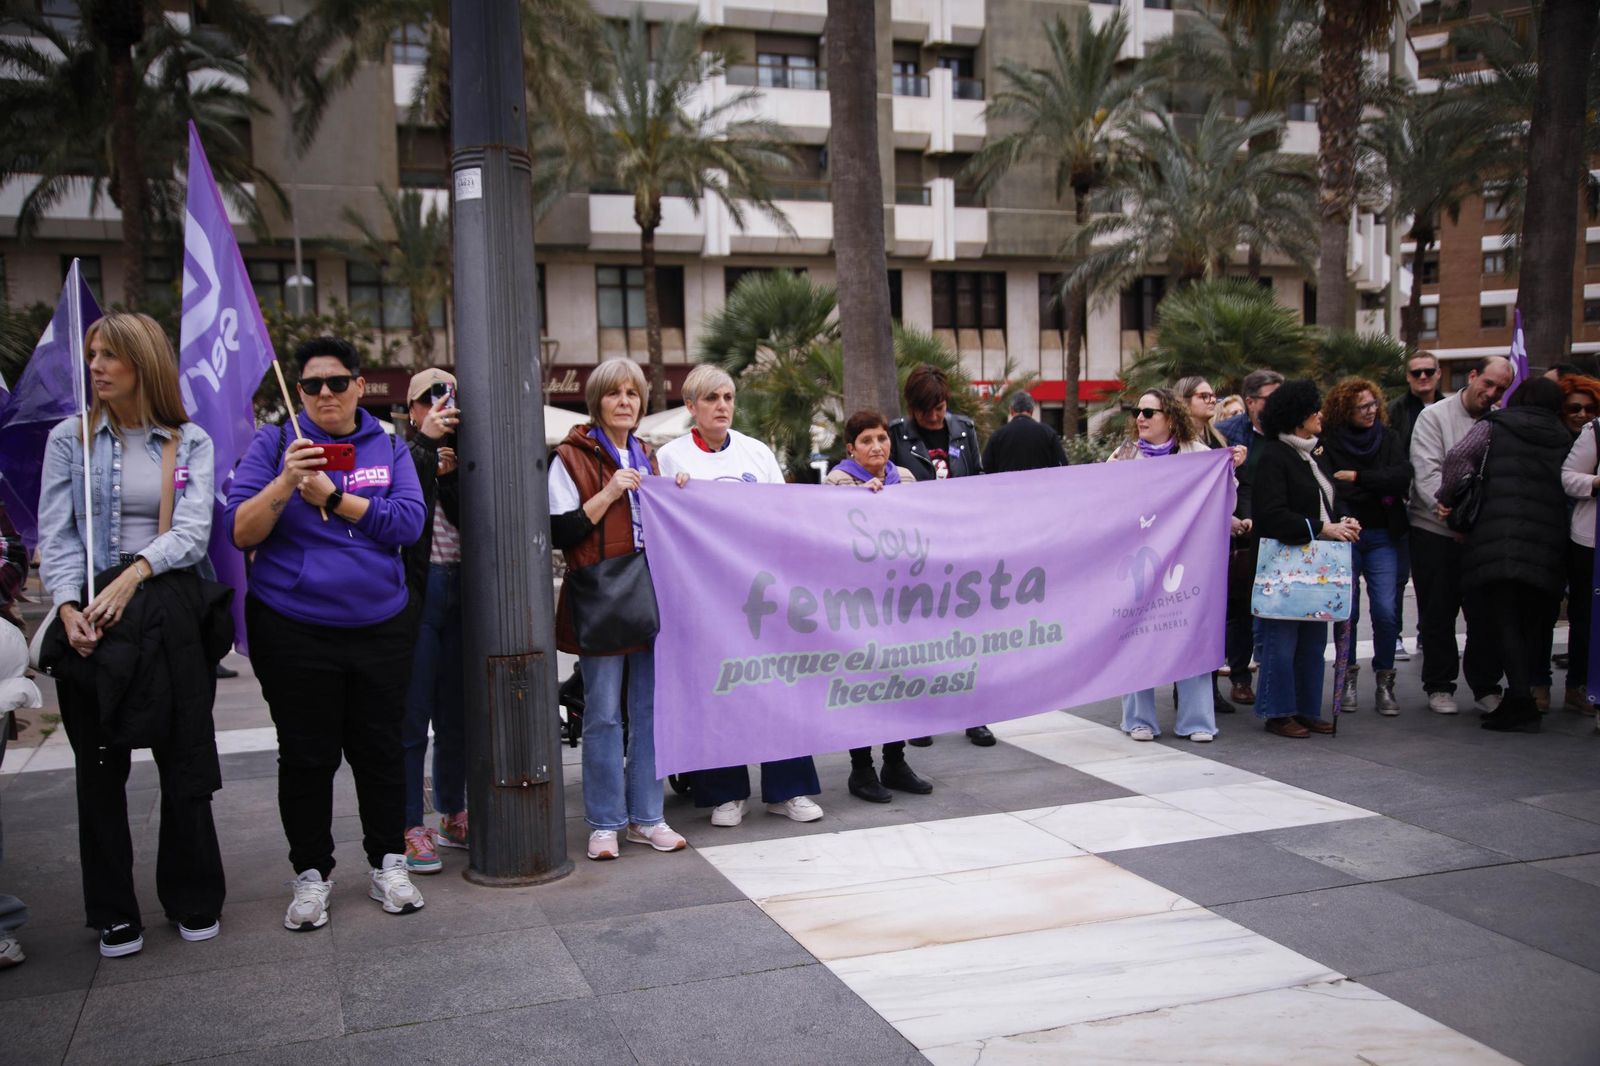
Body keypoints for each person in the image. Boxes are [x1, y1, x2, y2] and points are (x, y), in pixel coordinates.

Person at [36, 312, 226, 958]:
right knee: (97, 770)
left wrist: (137, 572)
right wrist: (67, 608)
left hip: (166, 610)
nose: (96, 366)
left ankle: (193, 894)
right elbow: (56, 533)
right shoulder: (70, 439)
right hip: (90, 614)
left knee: (184, 760)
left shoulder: (187, 441)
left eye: (110, 355)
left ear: (142, 364)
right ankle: (114, 911)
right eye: (91, 354)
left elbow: (194, 531)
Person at [227, 337, 427, 930]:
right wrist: (288, 481)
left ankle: (389, 863)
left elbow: (410, 524)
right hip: (294, 628)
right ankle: (311, 876)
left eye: (337, 382)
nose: (323, 394)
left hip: (380, 625)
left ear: (360, 386)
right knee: (307, 757)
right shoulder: (273, 444)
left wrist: (337, 499)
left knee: (381, 751)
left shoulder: (389, 446)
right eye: (312, 384)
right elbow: (241, 532)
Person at [657, 365, 824, 828]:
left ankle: (787, 790)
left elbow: (782, 516)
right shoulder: (669, 458)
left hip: (760, 592)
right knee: (719, 690)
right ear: (691, 407)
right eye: (711, 398)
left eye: (728, 397)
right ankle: (725, 794)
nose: (723, 406)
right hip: (705, 597)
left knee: (777, 684)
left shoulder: (756, 452)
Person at [549, 358, 690, 861]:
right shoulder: (570, 456)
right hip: (602, 592)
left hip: (650, 591)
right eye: (615, 394)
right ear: (597, 402)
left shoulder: (649, 455)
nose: (625, 402)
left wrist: (677, 494)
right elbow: (559, 530)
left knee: (649, 711)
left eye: (633, 394)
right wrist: (610, 492)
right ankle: (606, 822)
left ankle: (647, 817)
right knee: (603, 714)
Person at [1439, 378, 1571, 733]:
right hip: (1547, 539)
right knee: (1531, 622)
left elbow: (1457, 457)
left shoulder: (1495, 426)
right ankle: (1522, 696)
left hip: (1498, 537)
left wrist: (1448, 497)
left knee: (1505, 620)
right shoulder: (1562, 435)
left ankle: (1520, 702)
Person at [826, 410, 933, 802]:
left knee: (897, 679)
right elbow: (834, 535)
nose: (877, 447)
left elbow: (920, 527)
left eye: (883, 438)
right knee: (864, 682)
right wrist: (863, 502)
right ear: (851, 448)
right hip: (859, 601)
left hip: (900, 597)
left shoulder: (904, 478)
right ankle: (861, 768)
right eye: (867, 440)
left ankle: (895, 759)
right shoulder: (838, 481)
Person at [888, 365, 994, 747]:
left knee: (970, 633)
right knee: (922, 635)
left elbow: (979, 478)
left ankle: (975, 715)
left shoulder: (964, 429)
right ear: (912, 407)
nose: (934, 416)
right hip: (917, 553)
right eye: (926, 410)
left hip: (963, 548)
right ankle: (922, 716)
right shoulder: (896, 433)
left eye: (940, 407)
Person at [1107, 389, 1221, 743]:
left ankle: (1198, 720)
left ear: (1170, 417)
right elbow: (1103, 500)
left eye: (1148, 412)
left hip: (1188, 560)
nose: (1140, 418)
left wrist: (1231, 465)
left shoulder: (1200, 456)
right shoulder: (1124, 456)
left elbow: (1222, 492)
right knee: (1137, 635)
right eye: (1137, 412)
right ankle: (1138, 719)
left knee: (1190, 632)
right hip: (1139, 560)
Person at [1250, 380, 1361, 738]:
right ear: (1297, 416)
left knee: (1313, 642)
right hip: (1286, 566)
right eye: (1315, 409)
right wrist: (1322, 528)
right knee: (1281, 643)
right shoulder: (1272, 456)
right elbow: (1270, 515)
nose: (1321, 415)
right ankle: (1278, 711)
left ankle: (1306, 708)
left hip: (1317, 567)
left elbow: (1330, 498)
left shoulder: (1314, 454)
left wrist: (1344, 520)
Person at [1408, 356, 1515, 715]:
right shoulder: (1434, 416)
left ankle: (1486, 684)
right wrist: (1450, 513)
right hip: (1434, 530)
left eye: (1500, 389)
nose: (1492, 393)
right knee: (1438, 611)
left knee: (1484, 614)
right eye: (1488, 384)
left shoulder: (1501, 422)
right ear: (1472, 376)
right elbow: (1426, 474)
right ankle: (1439, 685)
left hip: (1480, 534)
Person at [399, 369, 466, 875]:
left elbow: (477, 520)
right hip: (418, 595)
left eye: (449, 397)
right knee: (411, 718)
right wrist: (427, 456)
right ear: (412, 409)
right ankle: (410, 825)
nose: (441, 405)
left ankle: (453, 811)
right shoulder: (400, 455)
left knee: (455, 715)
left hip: (462, 589)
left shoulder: (466, 456)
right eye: (430, 398)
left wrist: (450, 476)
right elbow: (402, 520)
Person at [1321, 378, 1412, 715]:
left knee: (1386, 611)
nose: (1371, 411)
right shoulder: (1328, 442)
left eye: (1374, 403)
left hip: (1384, 534)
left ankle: (1385, 681)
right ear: (1346, 408)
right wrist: (1373, 485)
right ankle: (1346, 677)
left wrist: (1358, 477)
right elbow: (1331, 488)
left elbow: (1401, 476)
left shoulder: (1387, 438)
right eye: (1363, 406)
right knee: (1347, 612)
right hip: (1346, 536)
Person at [1215, 369, 1284, 705]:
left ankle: (1275, 680)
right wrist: (1240, 518)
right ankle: (1240, 677)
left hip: (1280, 530)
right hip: (1242, 533)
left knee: (1276, 610)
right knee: (1240, 608)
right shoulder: (1226, 432)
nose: (1277, 406)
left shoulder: (1286, 432)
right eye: (1271, 398)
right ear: (1251, 401)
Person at [1562, 386, 1600, 716]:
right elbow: (1568, 478)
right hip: (1590, 540)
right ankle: (1579, 685)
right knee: (1587, 615)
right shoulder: (1595, 431)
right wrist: (1596, 483)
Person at [980, 391, 1067, 472]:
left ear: (1011, 410)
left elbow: (986, 468)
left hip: (1008, 487)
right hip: (1040, 486)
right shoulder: (1048, 433)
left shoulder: (998, 435)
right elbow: (1062, 465)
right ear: (1032, 410)